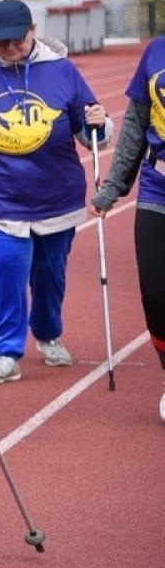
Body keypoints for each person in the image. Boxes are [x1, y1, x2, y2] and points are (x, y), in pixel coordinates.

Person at [0, 0, 110, 384]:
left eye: (16, 41)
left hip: (56, 197)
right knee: (6, 268)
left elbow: (91, 135)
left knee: (49, 275)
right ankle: (5, 351)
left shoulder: (63, 72)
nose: (8, 49)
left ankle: (48, 330)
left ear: (33, 32)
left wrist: (99, 124)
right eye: (0, 43)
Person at [90, 32, 165, 423]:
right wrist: (115, 187)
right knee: (155, 293)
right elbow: (135, 125)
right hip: (158, 190)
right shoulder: (156, 51)